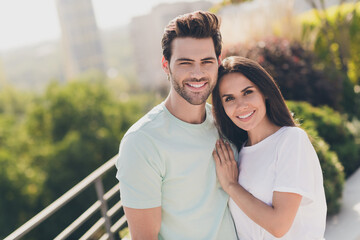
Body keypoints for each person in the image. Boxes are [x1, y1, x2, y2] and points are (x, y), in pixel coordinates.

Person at [115, 11, 237, 240]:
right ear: (166, 65)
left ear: (218, 63)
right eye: (185, 63)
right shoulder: (142, 142)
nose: (198, 73)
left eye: (207, 62)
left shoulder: (227, 123)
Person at [211, 56, 327, 240]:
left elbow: (279, 226)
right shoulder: (238, 153)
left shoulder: (291, 140)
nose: (241, 105)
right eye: (229, 98)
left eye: (248, 92)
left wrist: (231, 186)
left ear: (264, 92)